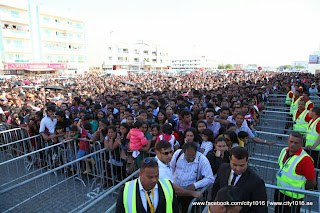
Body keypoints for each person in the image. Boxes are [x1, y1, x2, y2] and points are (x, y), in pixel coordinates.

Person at [211, 147, 268, 213]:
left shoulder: (256, 182)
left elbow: (261, 208)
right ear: (230, 159)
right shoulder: (223, 169)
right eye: (234, 165)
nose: (238, 169)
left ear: (247, 161)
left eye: (242, 165)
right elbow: (215, 191)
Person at [115, 157, 180, 213]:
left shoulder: (168, 185)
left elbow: (175, 209)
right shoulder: (125, 190)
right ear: (140, 174)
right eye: (150, 177)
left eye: (157, 176)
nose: (154, 180)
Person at [275, 132, 316, 213]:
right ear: (287, 141)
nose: (293, 144)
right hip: (280, 191)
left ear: (301, 144)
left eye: (296, 143)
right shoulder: (284, 151)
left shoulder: (305, 160)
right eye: (291, 141)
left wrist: (301, 189)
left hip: (294, 196)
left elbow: (312, 182)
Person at [170, 142, 215, 213]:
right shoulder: (178, 154)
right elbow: (171, 168)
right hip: (175, 188)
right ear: (183, 152)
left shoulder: (202, 159)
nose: (191, 159)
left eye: (193, 156)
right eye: (187, 157)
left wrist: (195, 185)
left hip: (189, 192)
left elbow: (210, 178)